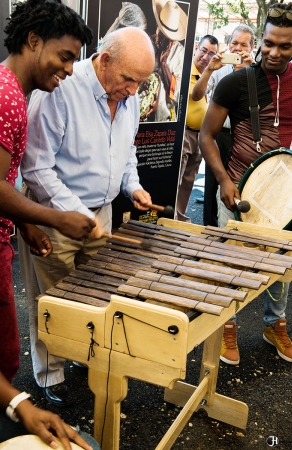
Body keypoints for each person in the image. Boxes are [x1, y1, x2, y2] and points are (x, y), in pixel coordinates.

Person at [18, 26, 155, 407]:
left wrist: (134, 186)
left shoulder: (128, 92)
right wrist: (76, 214)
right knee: (54, 298)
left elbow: (125, 153)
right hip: (55, 215)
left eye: (140, 83)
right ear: (104, 60)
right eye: (128, 79)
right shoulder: (60, 89)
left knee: (95, 294)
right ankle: (50, 372)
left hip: (102, 212)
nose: (132, 91)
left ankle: (82, 353)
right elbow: (37, 169)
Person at [0, 0, 99, 448]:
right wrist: (58, 217)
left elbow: (4, 178)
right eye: (65, 56)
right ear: (33, 40)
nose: (71, 70)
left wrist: (24, 225)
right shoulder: (9, 97)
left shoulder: (12, 91)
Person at [199, 2, 292, 365]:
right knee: (231, 265)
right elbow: (206, 137)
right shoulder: (233, 82)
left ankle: (275, 325)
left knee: (281, 265)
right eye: (269, 43)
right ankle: (227, 326)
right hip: (236, 190)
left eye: (284, 46)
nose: (274, 52)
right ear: (260, 39)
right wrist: (224, 181)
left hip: (283, 195)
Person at [193, 25, 255, 227]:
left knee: (240, 184)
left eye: (243, 44)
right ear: (228, 45)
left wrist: (250, 71)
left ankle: (237, 229)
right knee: (212, 186)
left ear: (252, 47)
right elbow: (196, 95)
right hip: (218, 136)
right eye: (234, 43)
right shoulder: (220, 68)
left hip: (244, 139)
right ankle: (210, 230)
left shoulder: (256, 72)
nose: (238, 48)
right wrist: (210, 69)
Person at [175, 35, 218, 222]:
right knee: (176, 180)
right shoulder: (186, 71)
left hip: (200, 137)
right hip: (184, 133)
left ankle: (180, 218)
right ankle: (171, 219)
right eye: (204, 51)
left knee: (188, 182)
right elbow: (195, 96)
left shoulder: (205, 75)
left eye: (211, 54)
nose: (206, 57)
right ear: (196, 48)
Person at [148, 0, 187, 121]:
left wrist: (164, 64)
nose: (165, 41)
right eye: (163, 34)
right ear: (157, 27)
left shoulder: (179, 51)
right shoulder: (146, 43)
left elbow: (176, 94)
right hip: (142, 115)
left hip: (164, 117)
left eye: (170, 38)